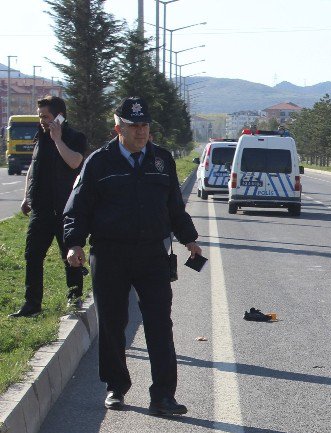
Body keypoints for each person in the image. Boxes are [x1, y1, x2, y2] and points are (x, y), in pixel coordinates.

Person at [63, 97, 202, 416]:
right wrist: (74, 243)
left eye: (144, 125)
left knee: (160, 323)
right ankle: (116, 387)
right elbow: (77, 207)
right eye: (133, 126)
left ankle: (163, 396)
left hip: (152, 253)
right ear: (118, 129)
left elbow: (174, 206)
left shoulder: (161, 159)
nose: (141, 132)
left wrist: (189, 239)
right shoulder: (99, 162)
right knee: (113, 323)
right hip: (110, 253)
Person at [10, 96, 87, 318]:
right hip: (41, 209)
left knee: (70, 256)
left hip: (66, 211)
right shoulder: (40, 137)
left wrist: (58, 139)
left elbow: (75, 162)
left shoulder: (75, 137)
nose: (42, 120)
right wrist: (26, 197)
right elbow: (33, 168)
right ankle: (32, 304)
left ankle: (74, 298)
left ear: (59, 117)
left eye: (45, 116)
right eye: (40, 116)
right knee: (32, 255)